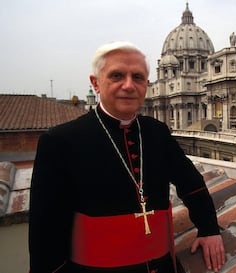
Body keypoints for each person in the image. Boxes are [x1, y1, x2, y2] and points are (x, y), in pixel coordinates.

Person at [29, 41, 225, 273]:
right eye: (117, 75)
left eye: (138, 77)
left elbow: (191, 185)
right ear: (96, 83)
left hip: (160, 266)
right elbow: (45, 228)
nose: (129, 85)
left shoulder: (156, 131)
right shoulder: (60, 141)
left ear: (147, 85)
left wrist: (209, 229)